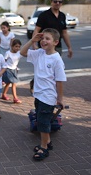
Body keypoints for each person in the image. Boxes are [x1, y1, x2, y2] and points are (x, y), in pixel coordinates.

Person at [20, 28, 66, 161]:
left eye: (47, 39)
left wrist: (60, 99)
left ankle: (44, 147)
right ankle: (48, 142)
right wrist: (32, 40)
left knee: (43, 122)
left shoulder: (57, 59)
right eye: (43, 38)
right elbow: (23, 52)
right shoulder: (39, 53)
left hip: (48, 97)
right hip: (38, 95)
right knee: (42, 120)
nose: (44, 41)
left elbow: (60, 81)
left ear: (55, 42)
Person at [30, 0, 73, 94]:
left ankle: (50, 88)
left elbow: (64, 32)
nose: (57, 3)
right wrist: (34, 44)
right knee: (42, 68)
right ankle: (34, 84)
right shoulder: (44, 15)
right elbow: (36, 30)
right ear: (51, 2)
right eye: (55, 1)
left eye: (60, 1)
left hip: (57, 47)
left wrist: (69, 47)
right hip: (44, 47)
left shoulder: (62, 16)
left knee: (53, 70)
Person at [1, 39, 23, 103]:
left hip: (14, 69)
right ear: (12, 46)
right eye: (16, 46)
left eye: (19, 47)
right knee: (14, 83)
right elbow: (4, 61)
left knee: (8, 83)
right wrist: (2, 70)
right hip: (8, 69)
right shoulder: (8, 53)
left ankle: (4, 94)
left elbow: (24, 53)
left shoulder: (19, 53)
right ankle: (15, 98)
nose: (17, 48)